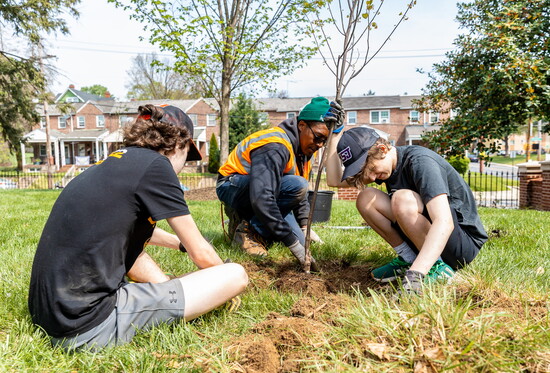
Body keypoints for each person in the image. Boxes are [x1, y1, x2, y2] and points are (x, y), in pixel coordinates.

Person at [28, 104, 249, 351]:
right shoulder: (156, 166)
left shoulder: (108, 165)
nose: (184, 165)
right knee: (235, 274)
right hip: (88, 326)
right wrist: (222, 287)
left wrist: (178, 246)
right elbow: (202, 254)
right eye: (188, 156)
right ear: (179, 144)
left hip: (51, 318)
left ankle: (168, 299)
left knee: (144, 264)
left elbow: (127, 233)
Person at [326, 126, 488, 293]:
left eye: (373, 169)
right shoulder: (386, 167)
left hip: (460, 245)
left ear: (383, 149)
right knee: (365, 198)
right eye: (366, 172)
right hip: (430, 237)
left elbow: (445, 222)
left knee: (401, 198)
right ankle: (409, 258)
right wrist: (333, 136)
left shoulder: (420, 162)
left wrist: (415, 275)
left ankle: (436, 268)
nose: (372, 178)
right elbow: (333, 180)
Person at [216, 97, 339, 269]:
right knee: (297, 189)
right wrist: (292, 244)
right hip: (233, 186)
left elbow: (299, 196)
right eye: (318, 137)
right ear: (302, 125)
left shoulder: (304, 153)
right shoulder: (275, 145)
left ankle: (244, 222)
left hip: (266, 192)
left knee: (301, 242)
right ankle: (248, 231)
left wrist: (304, 227)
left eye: (324, 141)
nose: (319, 144)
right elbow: (263, 197)